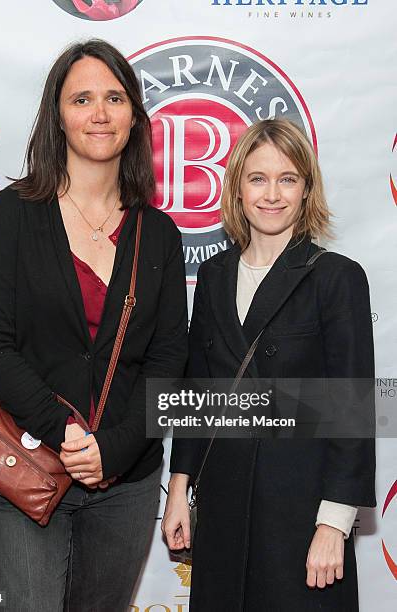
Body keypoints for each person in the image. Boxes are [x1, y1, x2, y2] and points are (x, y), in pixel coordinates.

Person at [0, 39, 188, 611]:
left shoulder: (158, 235)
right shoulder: (11, 215)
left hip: (126, 485)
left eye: (115, 98)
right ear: (57, 116)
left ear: (134, 116)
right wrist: (64, 430)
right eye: (82, 98)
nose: (99, 113)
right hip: (27, 466)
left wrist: (112, 449)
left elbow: (167, 363)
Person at [162, 119, 375, 611]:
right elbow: (199, 392)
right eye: (258, 178)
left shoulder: (336, 278)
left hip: (300, 515)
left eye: (288, 179)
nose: (272, 194)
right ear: (237, 188)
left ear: (306, 190)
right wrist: (179, 488)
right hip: (222, 507)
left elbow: (353, 410)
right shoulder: (215, 275)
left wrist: (333, 525)